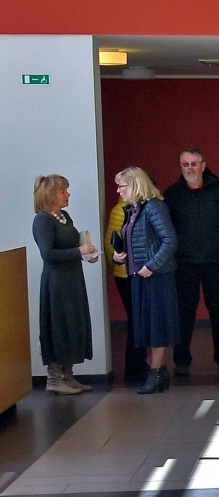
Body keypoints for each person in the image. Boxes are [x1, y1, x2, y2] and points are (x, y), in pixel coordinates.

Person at [163, 148, 219, 377]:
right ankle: (181, 361)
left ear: (203, 165)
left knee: (218, 311)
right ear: (181, 166)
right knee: (184, 313)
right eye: (185, 164)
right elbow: (165, 225)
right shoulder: (173, 193)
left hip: (214, 261)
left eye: (194, 164)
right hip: (184, 263)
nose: (190, 168)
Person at [113, 168, 180, 395]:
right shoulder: (133, 209)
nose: (118, 191)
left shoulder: (154, 207)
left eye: (122, 186)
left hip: (156, 276)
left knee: (156, 325)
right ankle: (159, 372)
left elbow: (170, 240)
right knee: (148, 326)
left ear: (135, 185)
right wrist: (120, 256)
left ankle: (155, 372)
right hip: (139, 275)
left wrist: (151, 265)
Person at [32, 174, 96, 395]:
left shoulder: (63, 216)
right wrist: (79, 251)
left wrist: (86, 254)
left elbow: (69, 246)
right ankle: (54, 378)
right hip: (57, 282)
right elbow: (47, 253)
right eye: (63, 191)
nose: (68, 195)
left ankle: (68, 376)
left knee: (72, 323)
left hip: (72, 279)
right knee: (58, 325)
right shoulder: (42, 220)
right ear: (50, 195)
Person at [104, 199, 147, 384]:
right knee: (137, 321)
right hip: (128, 274)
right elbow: (111, 244)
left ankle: (137, 366)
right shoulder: (121, 209)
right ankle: (135, 368)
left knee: (138, 321)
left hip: (131, 273)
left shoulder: (142, 208)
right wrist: (115, 263)